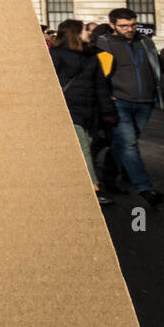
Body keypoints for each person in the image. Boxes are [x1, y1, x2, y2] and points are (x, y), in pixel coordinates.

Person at [94, 9, 164, 205]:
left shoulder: (145, 42)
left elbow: (158, 72)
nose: (130, 29)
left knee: (121, 144)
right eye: (124, 26)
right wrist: (105, 98)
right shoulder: (102, 44)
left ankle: (108, 179)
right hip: (119, 101)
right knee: (130, 143)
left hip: (145, 102)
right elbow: (97, 74)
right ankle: (145, 188)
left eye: (133, 25)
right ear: (112, 25)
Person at [49, 20, 115, 205]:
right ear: (74, 33)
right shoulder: (55, 55)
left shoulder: (91, 56)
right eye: (85, 29)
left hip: (89, 110)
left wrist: (107, 112)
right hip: (68, 109)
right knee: (83, 148)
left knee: (86, 145)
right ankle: (94, 188)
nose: (89, 32)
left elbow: (100, 87)